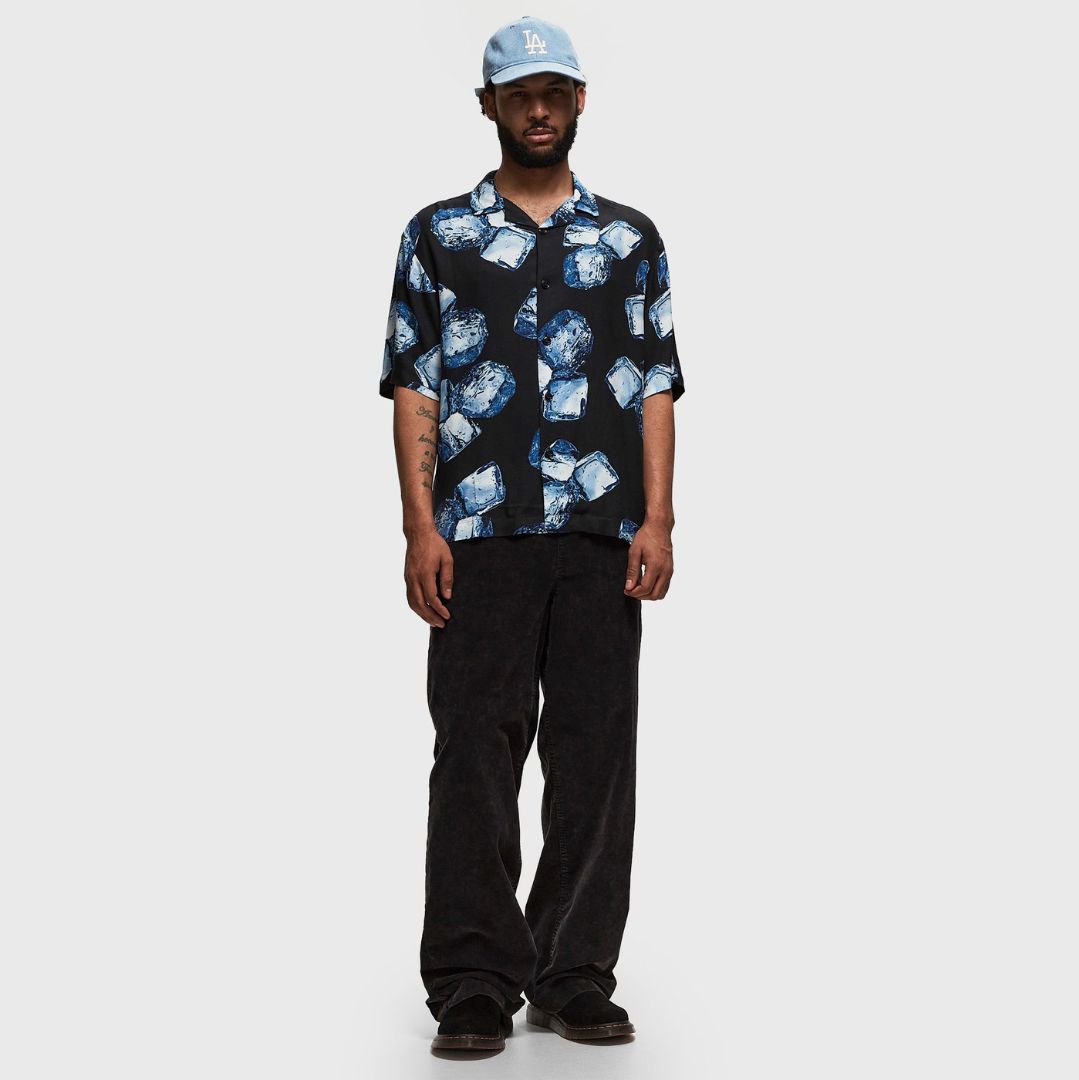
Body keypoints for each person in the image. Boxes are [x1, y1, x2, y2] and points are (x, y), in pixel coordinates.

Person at [378, 15, 686, 1054]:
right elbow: (415, 382)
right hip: (479, 530)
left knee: (596, 753)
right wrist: (419, 526)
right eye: (520, 96)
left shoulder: (630, 239)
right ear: (490, 107)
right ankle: (473, 979)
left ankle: (573, 970)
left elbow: (654, 383)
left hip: (600, 535)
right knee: (473, 749)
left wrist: (658, 517)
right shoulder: (439, 236)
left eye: (554, 93)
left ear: (580, 100)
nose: (540, 111)